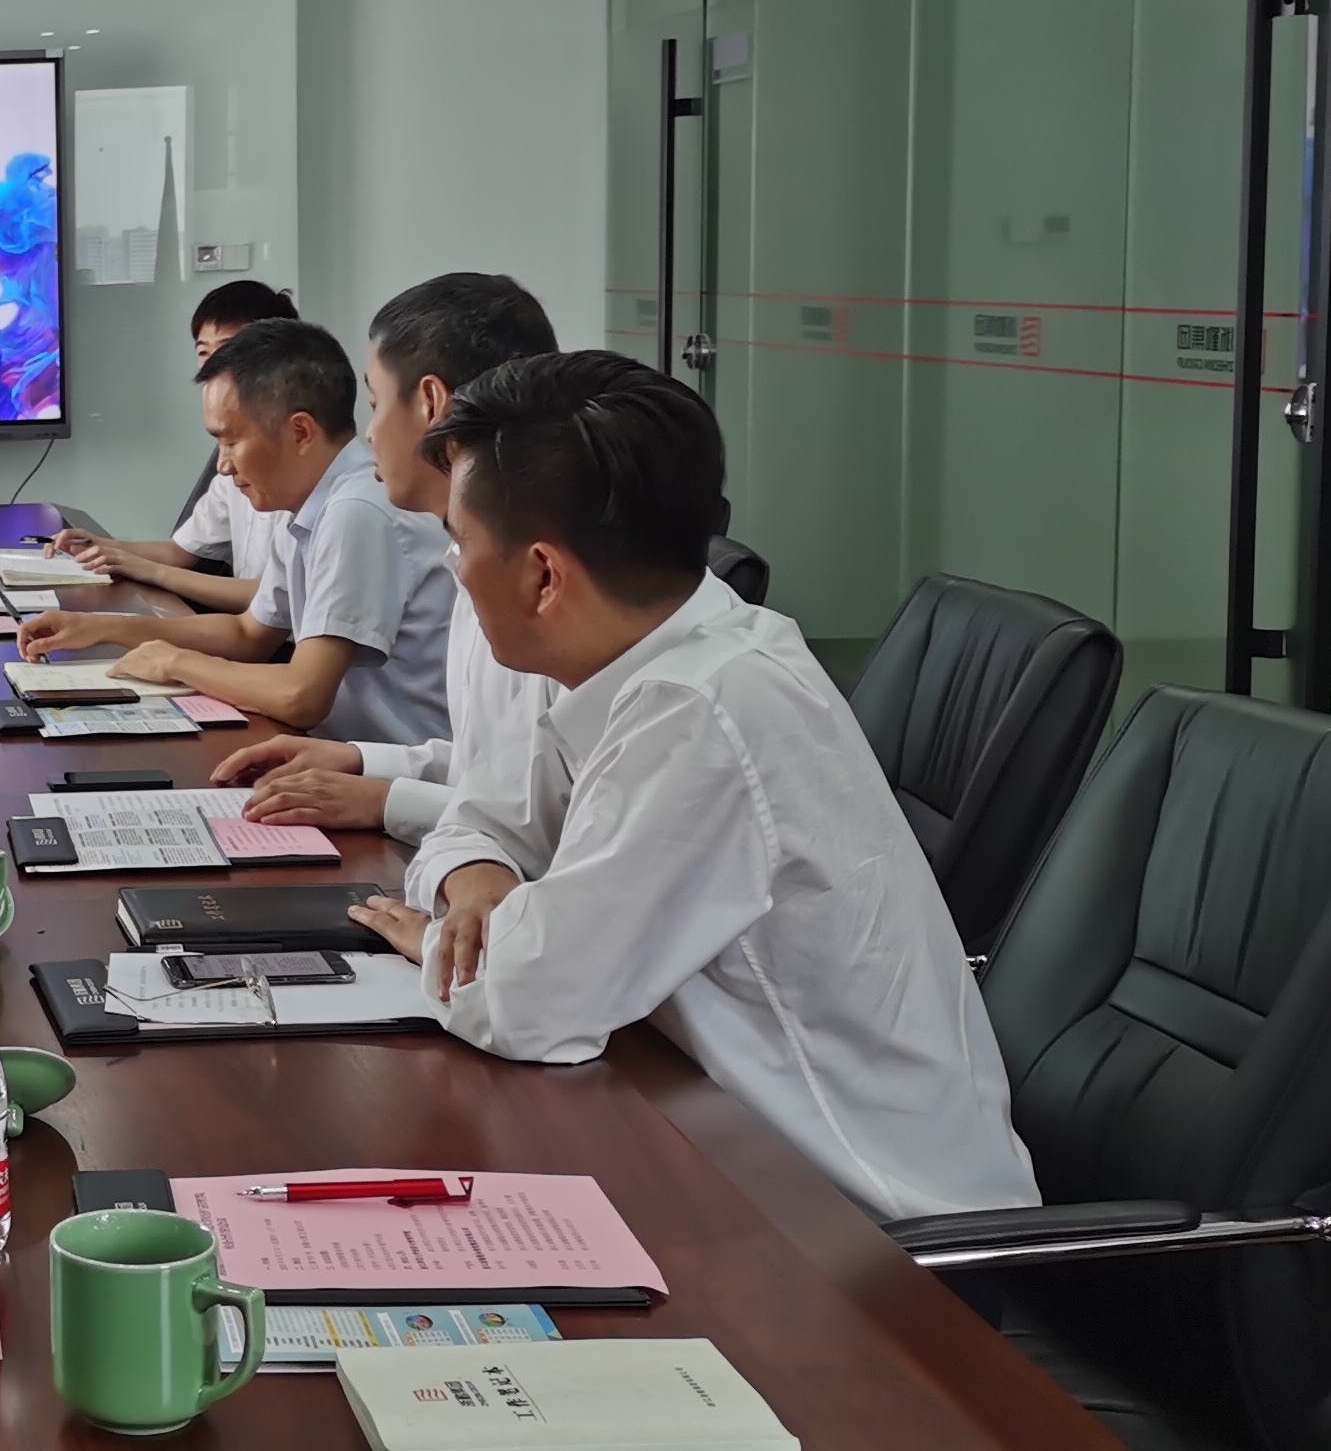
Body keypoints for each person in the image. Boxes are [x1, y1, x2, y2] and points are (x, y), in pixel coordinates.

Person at [349, 351, 1035, 1222]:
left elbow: (530, 1003)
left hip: (875, 1232)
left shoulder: (705, 705)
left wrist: (445, 943)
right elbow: (481, 821)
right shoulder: (633, 654)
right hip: (727, 1151)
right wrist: (476, 883)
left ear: (544, 576)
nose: (454, 568)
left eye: (461, 541)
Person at [213, 274, 559, 845]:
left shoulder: (538, 576)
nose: (369, 434)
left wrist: (384, 798)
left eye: (375, 405)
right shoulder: (471, 552)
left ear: (430, 404)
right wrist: (358, 760)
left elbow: (544, 819)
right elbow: (487, 764)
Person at [14, 319, 452, 743]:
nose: (222, 466)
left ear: (300, 432)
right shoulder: (308, 504)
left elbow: (301, 696)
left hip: (389, 770)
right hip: (335, 754)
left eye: (230, 442)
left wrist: (176, 663)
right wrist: (98, 627)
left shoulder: (356, 510)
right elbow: (249, 635)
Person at [41, 280, 299, 614]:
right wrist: (104, 547)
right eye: (203, 353)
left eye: (228, 351)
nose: (212, 368)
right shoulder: (233, 462)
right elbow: (182, 550)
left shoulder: (307, 473)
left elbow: (278, 598)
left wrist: (150, 571)